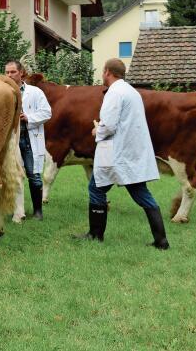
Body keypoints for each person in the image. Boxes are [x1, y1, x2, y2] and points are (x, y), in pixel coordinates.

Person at [74, 58, 169, 249]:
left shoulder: (114, 93)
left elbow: (109, 125)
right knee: (141, 193)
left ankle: (95, 235)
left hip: (115, 153)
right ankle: (161, 240)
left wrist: (97, 130)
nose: (102, 75)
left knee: (96, 188)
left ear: (107, 72)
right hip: (131, 153)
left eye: (103, 72)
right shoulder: (131, 92)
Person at [5, 60, 52, 220]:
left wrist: (28, 118)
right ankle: (15, 208)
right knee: (12, 175)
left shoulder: (35, 92)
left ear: (21, 73)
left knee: (34, 175)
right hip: (11, 141)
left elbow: (47, 112)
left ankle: (38, 211)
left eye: (12, 72)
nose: (9, 75)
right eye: (7, 72)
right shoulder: (3, 92)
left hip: (29, 139)